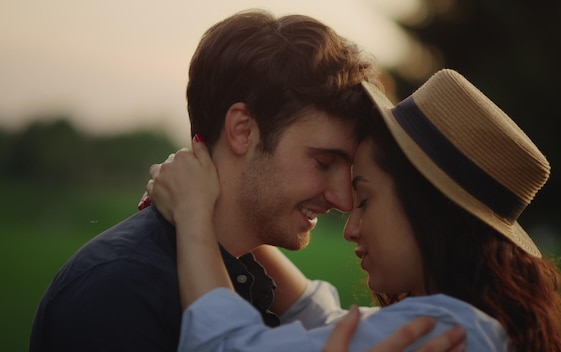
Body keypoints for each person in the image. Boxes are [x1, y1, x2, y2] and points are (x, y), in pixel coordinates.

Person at [29, 9, 462, 352]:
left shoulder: (243, 283)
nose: (343, 199)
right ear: (242, 129)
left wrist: (196, 212)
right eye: (324, 161)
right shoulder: (119, 292)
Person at [146, 69, 561, 351]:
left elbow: (227, 345)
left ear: (429, 213)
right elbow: (322, 321)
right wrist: (231, 201)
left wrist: (194, 216)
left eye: (365, 199)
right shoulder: (468, 321)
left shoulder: (445, 332)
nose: (349, 225)